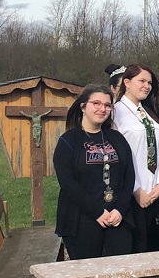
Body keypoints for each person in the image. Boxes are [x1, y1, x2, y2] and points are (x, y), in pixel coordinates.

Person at [54, 84, 134, 259]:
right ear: (83, 106)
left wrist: (120, 209)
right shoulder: (69, 141)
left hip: (117, 218)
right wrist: (97, 212)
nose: (102, 109)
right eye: (96, 103)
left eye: (107, 105)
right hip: (82, 220)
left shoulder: (117, 138)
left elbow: (129, 176)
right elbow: (67, 182)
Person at [113, 64, 159, 253]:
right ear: (127, 83)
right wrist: (136, 190)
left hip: (153, 192)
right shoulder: (116, 112)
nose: (147, 86)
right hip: (131, 194)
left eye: (150, 82)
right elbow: (118, 157)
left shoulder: (147, 112)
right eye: (142, 81)